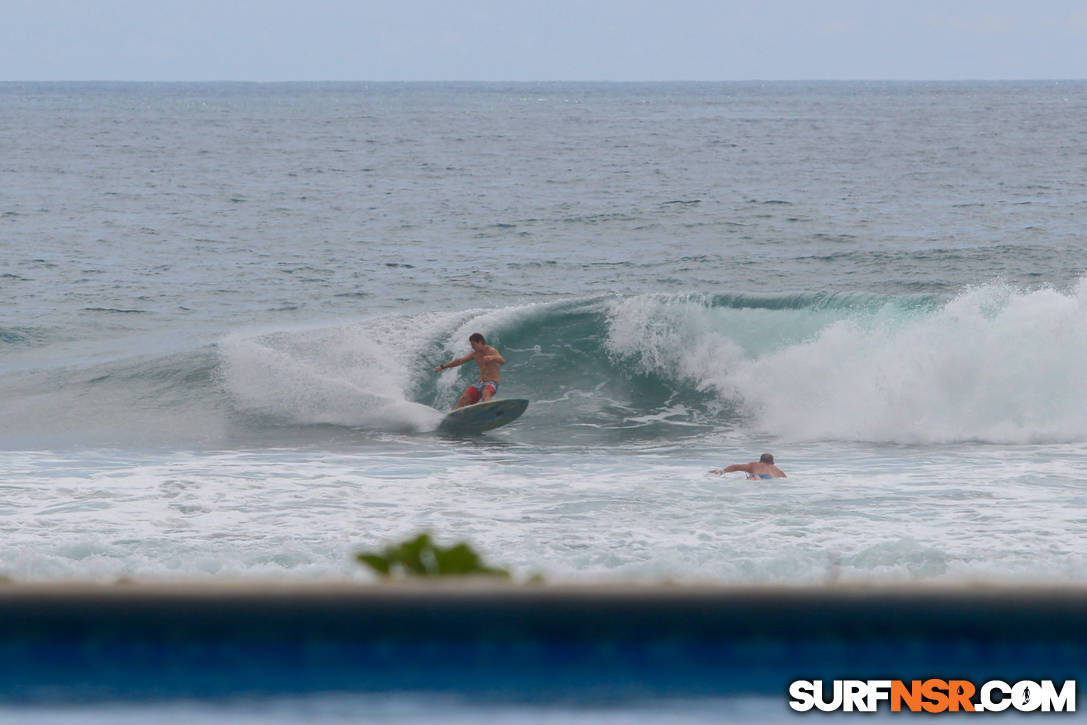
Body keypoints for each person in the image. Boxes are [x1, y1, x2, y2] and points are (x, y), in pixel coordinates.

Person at [433, 333, 506, 409]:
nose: (472, 347)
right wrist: (442, 366)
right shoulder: (475, 354)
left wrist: (492, 357)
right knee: (463, 399)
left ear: (480, 342)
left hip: (492, 383)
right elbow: (459, 361)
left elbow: (502, 361)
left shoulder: (491, 351)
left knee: (486, 393)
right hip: (480, 383)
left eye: (474, 345)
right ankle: (453, 417)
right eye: (471, 345)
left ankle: (488, 411)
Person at [710, 453, 786, 479]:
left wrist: (722, 471)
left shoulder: (754, 465)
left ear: (760, 460)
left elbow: (736, 467)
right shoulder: (778, 471)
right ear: (772, 462)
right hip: (770, 478)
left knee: (755, 477)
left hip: (756, 476)